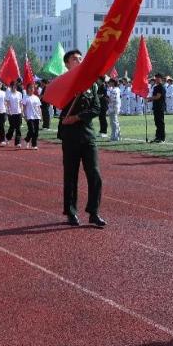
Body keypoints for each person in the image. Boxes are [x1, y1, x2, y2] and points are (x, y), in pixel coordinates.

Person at [58, 50, 105, 228]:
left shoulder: (91, 84)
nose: (78, 61)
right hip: (69, 135)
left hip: (87, 134)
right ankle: (71, 212)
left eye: (80, 58)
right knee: (71, 175)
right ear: (67, 64)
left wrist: (77, 117)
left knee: (95, 174)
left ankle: (94, 212)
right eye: (74, 59)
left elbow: (96, 108)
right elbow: (59, 103)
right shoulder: (62, 83)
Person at [22, 82, 42, 149]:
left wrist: (41, 116)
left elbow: (39, 107)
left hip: (37, 116)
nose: (31, 89)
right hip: (29, 116)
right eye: (30, 88)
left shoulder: (36, 97)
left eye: (32, 88)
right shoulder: (25, 97)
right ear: (27, 89)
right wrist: (24, 116)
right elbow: (23, 107)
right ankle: (27, 139)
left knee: (36, 132)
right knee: (31, 130)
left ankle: (34, 145)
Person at [149, 74, 166, 143]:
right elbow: (154, 97)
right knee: (157, 122)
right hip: (156, 106)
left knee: (160, 122)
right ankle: (158, 137)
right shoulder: (155, 87)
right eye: (155, 78)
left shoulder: (161, 87)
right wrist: (149, 99)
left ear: (161, 79)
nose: (156, 79)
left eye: (158, 78)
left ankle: (162, 138)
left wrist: (149, 98)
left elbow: (158, 96)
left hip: (160, 106)